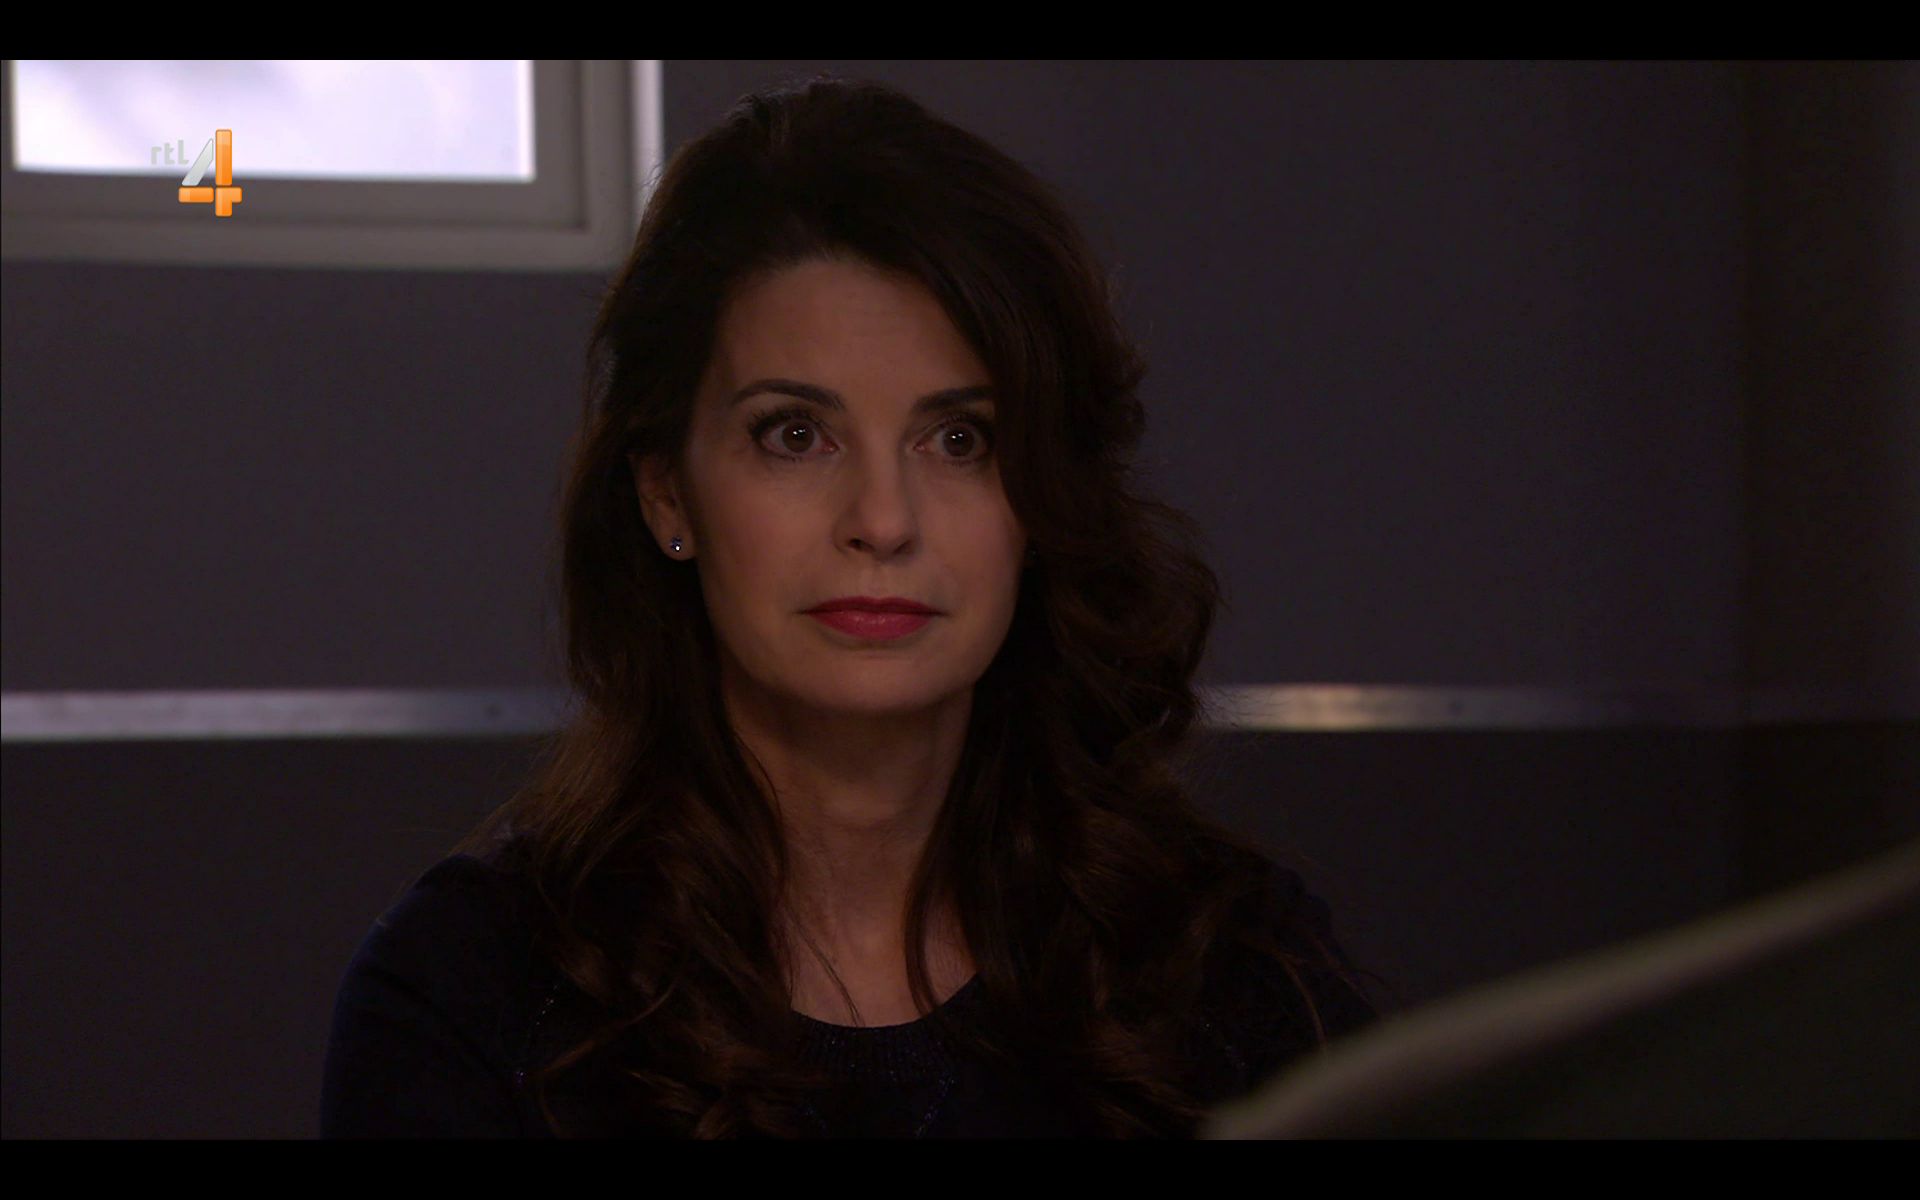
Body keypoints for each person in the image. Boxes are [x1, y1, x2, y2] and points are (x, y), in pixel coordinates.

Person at [320, 75, 1377, 1140]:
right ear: (667, 492)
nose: (883, 520)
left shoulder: (1230, 966)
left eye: (959, 440)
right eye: (794, 435)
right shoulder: (473, 995)